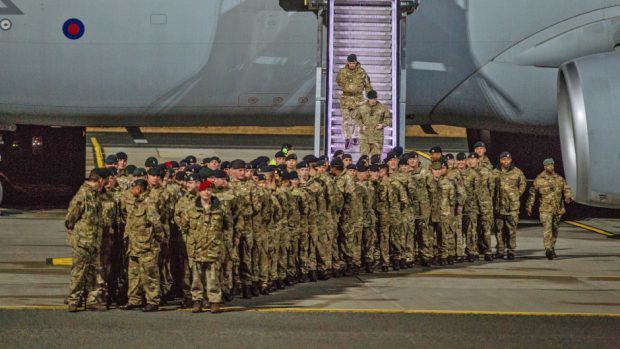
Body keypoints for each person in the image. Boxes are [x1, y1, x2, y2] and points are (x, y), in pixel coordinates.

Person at [65, 168, 106, 312]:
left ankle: (92, 300)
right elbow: (70, 219)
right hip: (83, 241)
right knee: (79, 271)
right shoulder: (83, 195)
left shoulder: (94, 195)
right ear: (100, 180)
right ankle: (73, 300)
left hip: (93, 241)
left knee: (93, 272)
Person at [120, 179, 163, 312]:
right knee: (134, 275)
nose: (131, 190)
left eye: (133, 187)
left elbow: (156, 224)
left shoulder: (148, 203)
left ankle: (153, 300)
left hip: (146, 246)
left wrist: (156, 240)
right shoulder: (135, 202)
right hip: (134, 245)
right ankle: (134, 299)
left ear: (138, 189)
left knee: (149, 274)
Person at [181, 180, 223, 313]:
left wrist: (223, 243)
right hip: (196, 247)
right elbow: (184, 227)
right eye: (204, 190)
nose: (207, 192)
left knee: (213, 276)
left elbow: (227, 226)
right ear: (199, 192)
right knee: (196, 278)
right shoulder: (191, 208)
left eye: (209, 190)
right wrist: (189, 242)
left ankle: (214, 301)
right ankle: (197, 300)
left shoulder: (219, 208)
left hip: (213, 246)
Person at [525, 158, 572, 259]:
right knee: (547, 229)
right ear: (544, 167)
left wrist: (568, 196)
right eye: (548, 165)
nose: (550, 167)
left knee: (555, 230)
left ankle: (552, 247)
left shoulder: (559, 179)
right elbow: (533, 194)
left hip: (557, 209)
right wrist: (529, 206)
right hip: (545, 209)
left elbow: (566, 188)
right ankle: (548, 249)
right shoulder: (539, 179)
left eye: (552, 165)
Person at [494, 152, 526, 260]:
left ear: (511, 160)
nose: (506, 161)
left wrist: (516, 195)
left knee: (511, 230)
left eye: (508, 159)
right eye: (503, 159)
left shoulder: (517, 172)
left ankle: (511, 251)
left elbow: (523, 184)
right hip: (499, 206)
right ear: (500, 160)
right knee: (499, 230)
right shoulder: (495, 172)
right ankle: (500, 250)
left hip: (512, 207)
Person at [336, 53, 373, 149]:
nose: (352, 65)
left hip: (358, 99)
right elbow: (338, 81)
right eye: (350, 63)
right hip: (346, 99)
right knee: (346, 120)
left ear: (356, 62)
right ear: (347, 62)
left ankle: (356, 136)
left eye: (353, 63)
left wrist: (370, 96)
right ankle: (347, 138)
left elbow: (368, 85)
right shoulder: (342, 72)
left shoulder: (361, 72)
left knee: (357, 120)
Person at [354, 90, 392, 158]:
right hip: (365, 136)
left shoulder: (382, 108)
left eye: (374, 99)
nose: (373, 101)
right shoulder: (362, 107)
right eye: (371, 99)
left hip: (377, 136)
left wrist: (383, 125)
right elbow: (357, 118)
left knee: (376, 158)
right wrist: (361, 125)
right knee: (364, 157)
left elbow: (388, 119)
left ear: (377, 98)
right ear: (368, 98)